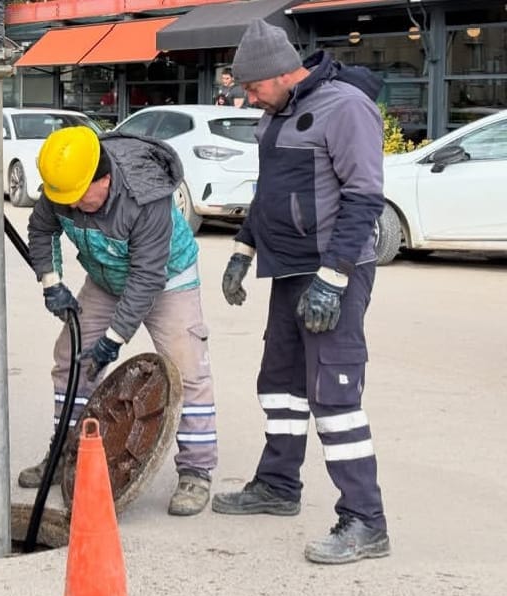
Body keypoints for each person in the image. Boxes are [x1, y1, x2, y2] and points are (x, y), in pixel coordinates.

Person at [210, 19, 390, 565]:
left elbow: (364, 197)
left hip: (335, 272)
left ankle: (365, 520)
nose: (249, 97)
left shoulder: (347, 108)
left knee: (333, 394)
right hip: (288, 270)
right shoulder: (276, 112)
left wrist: (333, 280)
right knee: (281, 385)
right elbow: (268, 192)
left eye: (253, 87)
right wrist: (243, 250)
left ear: (282, 72)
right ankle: (278, 485)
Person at [19, 126, 218, 516]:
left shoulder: (146, 198)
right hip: (106, 277)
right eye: (65, 200)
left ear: (104, 179)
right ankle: (66, 453)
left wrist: (113, 339)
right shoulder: (66, 186)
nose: (72, 206)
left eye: (80, 198)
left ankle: (196, 471)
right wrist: (51, 282)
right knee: (71, 360)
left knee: (187, 370)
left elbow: (147, 277)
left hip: (166, 278)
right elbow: (41, 230)